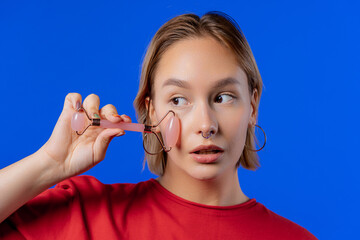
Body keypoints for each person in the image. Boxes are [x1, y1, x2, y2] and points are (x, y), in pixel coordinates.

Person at [0, 11, 318, 239]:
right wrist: (49, 164)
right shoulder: (84, 215)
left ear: (253, 105)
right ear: (151, 112)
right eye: (179, 100)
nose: (206, 124)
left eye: (223, 97)